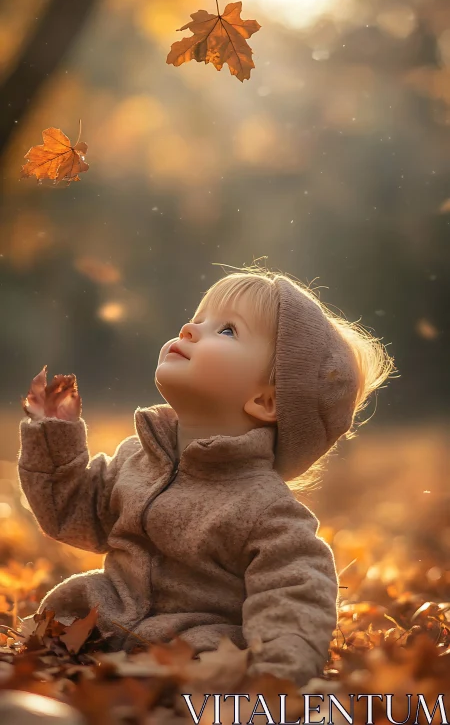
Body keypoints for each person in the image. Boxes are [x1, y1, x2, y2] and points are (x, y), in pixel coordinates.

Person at [17, 265, 396, 688]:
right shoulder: (138, 459)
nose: (191, 329)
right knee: (57, 616)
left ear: (266, 400)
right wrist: (53, 435)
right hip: (99, 624)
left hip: (194, 650)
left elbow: (295, 594)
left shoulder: (266, 509)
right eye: (198, 319)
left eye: (227, 330)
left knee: (215, 663)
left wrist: (277, 677)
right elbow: (69, 512)